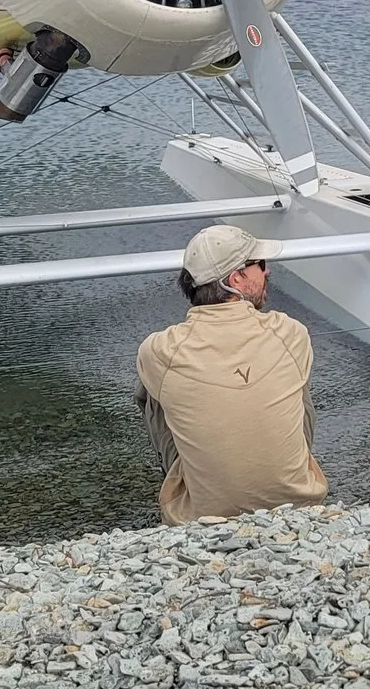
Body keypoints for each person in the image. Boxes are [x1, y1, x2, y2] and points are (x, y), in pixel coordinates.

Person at [134, 224, 330, 523]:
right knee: (295, 383)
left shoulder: (159, 350)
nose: (267, 272)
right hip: (299, 503)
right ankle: (284, 479)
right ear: (236, 278)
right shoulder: (289, 332)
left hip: (201, 515)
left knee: (151, 395)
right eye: (260, 265)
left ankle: (196, 487)